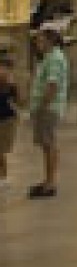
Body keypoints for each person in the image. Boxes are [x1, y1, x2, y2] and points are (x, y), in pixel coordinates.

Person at [25, 24, 68, 197]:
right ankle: (48, 180)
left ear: (50, 39)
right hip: (45, 108)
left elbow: (52, 85)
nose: (37, 42)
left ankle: (50, 183)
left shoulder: (55, 58)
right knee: (46, 144)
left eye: (41, 39)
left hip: (48, 109)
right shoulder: (49, 57)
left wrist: (43, 105)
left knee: (49, 144)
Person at [0, 49, 18, 192]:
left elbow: (16, 98)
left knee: (1, 150)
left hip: (6, 118)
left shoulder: (9, 82)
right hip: (4, 116)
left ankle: (4, 178)